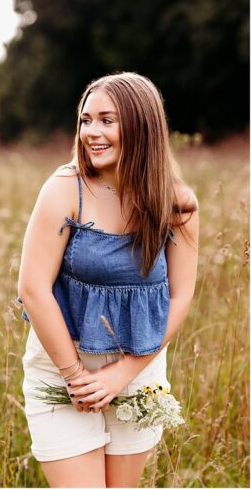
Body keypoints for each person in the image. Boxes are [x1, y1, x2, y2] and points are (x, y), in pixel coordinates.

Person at [16, 73, 199, 488]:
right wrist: (76, 377)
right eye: (85, 120)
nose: (91, 133)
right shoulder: (65, 188)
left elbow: (181, 295)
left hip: (139, 369)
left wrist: (123, 374)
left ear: (141, 125)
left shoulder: (177, 202)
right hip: (62, 370)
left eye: (106, 120)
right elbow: (33, 289)